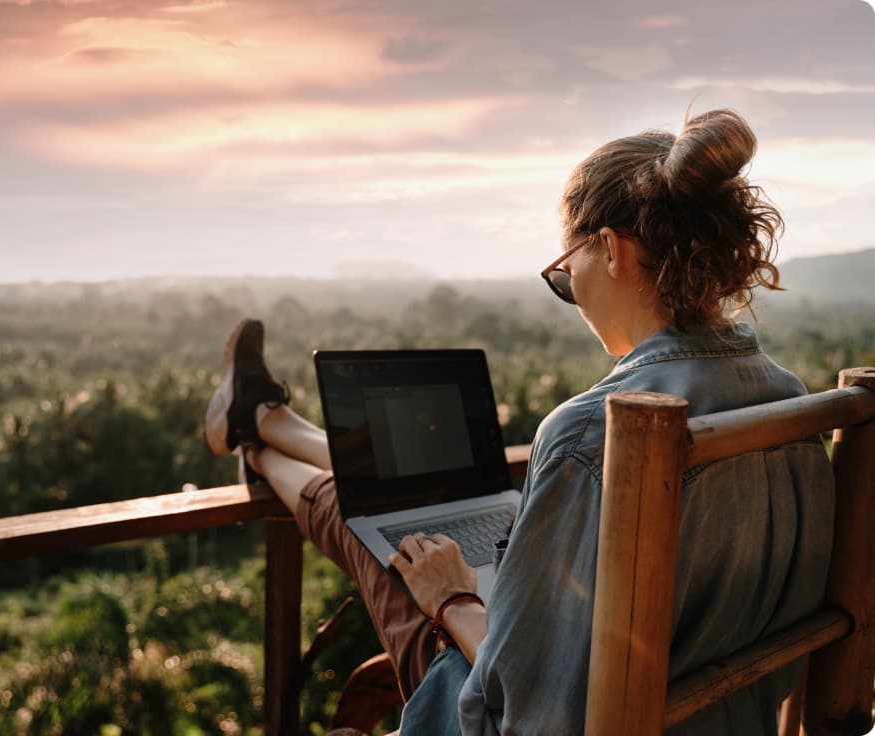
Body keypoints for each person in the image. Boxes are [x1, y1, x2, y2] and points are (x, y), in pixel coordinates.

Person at [203, 109, 834, 735]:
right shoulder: (790, 404)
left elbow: (534, 712)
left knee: (380, 526)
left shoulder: (595, 432)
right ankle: (264, 427)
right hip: (726, 719)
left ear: (609, 250)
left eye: (566, 272)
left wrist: (453, 600)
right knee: (393, 511)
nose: (572, 292)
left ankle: (256, 437)